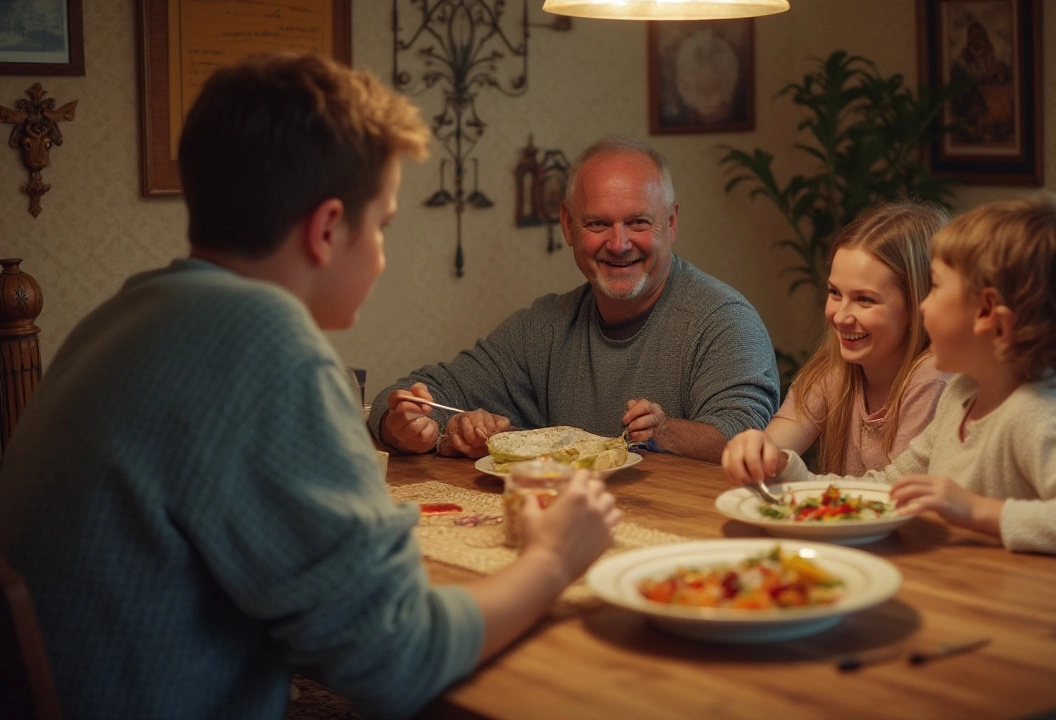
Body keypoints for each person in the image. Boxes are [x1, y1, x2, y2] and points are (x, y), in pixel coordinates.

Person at [0, 53, 620, 720]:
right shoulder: (267, 345)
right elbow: (397, 661)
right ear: (327, 230)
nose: (381, 253)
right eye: (381, 226)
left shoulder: (122, 316)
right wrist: (553, 560)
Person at [768, 194, 1056, 561]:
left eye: (935, 288)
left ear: (988, 315)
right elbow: (889, 488)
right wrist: (790, 471)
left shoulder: (1039, 411)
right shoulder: (963, 396)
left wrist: (974, 510)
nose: (922, 304)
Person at [370, 136, 779, 463]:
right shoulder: (545, 326)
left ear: (670, 223)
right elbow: (417, 395)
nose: (619, 245)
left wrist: (663, 431)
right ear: (568, 224)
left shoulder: (723, 320)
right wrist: (403, 425)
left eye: (638, 222)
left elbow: (748, 437)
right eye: (598, 223)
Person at [721, 202, 950, 485]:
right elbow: (775, 446)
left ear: (918, 306)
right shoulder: (833, 369)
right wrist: (754, 451)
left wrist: (787, 469)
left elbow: (895, 496)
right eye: (835, 293)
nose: (840, 316)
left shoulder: (933, 378)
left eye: (865, 299)